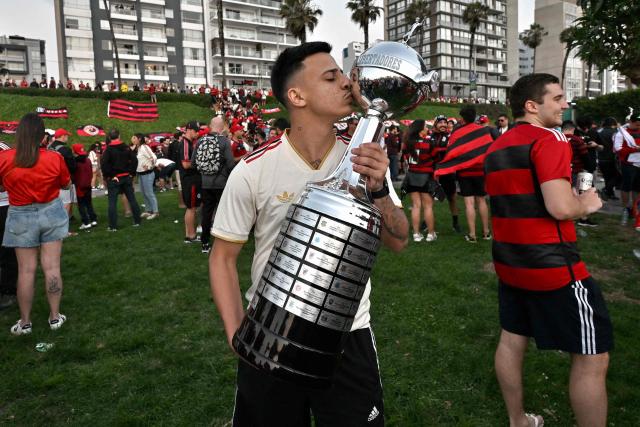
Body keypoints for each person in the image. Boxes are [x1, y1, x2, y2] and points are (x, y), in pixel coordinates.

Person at [209, 42, 408, 427]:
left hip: (348, 334)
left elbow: (399, 238)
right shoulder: (253, 169)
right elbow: (222, 257)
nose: (347, 85)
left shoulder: (363, 157)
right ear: (296, 96)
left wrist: (379, 190)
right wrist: (238, 335)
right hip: (273, 329)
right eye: (331, 77)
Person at [485, 73, 612, 427]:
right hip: (554, 268)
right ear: (532, 106)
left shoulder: (497, 145)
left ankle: (518, 420)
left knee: (512, 341)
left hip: (510, 264)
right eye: (557, 98)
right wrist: (585, 204)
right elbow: (559, 207)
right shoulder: (551, 137)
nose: (564, 104)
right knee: (592, 357)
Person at [0, 113, 71, 335]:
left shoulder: (5, 158)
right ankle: (54, 317)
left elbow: (2, 188)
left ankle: (25, 321)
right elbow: (66, 184)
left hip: (20, 213)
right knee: (52, 267)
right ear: (42, 137)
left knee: (26, 271)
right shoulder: (54, 158)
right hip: (50, 211)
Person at [192, 116, 235, 254]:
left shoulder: (200, 141)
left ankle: (205, 243)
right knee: (224, 213)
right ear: (222, 127)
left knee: (206, 213)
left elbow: (193, 163)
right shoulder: (224, 141)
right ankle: (224, 243)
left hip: (205, 183)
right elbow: (230, 163)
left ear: (210, 126)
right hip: (221, 183)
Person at [452, 106, 492, 242]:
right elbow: (489, 149)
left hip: (465, 171)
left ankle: (472, 234)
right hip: (480, 171)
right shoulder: (483, 131)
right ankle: (486, 233)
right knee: (481, 200)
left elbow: (452, 151)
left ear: (462, 118)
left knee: (469, 202)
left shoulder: (458, 132)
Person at [402, 119, 438, 242]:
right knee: (428, 206)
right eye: (425, 127)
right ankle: (430, 234)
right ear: (420, 129)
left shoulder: (407, 143)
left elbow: (405, 157)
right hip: (425, 176)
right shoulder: (429, 142)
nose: (427, 128)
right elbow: (435, 157)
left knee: (416, 206)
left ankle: (416, 234)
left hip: (412, 175)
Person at [100, 129, 141, 231]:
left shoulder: (108, 149)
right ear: (119, 135)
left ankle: (113, 226)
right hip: (126, 177)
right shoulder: (126, 147)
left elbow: (104, 164)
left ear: (109, 137)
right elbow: (134, 160)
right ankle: (137, 221)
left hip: (115, 179)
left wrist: (109, 176)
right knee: (132, 199)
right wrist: (131, 173)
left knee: (112, 202)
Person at [431, 115, 461, 233]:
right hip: (433, 172)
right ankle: (426, 222)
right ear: (435, 124)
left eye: (445, 122)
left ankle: (455, 223)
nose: (443, 124)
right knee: (430, 199)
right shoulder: (430, 136)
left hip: (447, 172)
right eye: (440, 123)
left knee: (452, 198)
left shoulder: (451, 137)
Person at [613, 113, 640, 226]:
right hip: (628, 164)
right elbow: (618, 149)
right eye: (637, 124)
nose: (639, 127)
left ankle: (634, 210)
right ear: (631, 122)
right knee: (626, 187)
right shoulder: (621, 133)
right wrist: (635, 150)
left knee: (637, 188)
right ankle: (625, 209)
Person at [0, 140, 18, 311]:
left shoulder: (4, 148)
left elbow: (11, 175)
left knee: (7, 250)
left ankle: (8, 290)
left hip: (4, 205)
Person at [179, 121, 202, 242]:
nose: (197, 133)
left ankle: (189, 235)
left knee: (190, 208)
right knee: (191, 208)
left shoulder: (188, 143)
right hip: (190, 180)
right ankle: (191, 236)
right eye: (195, 131)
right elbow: (186, 164)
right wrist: (201, 163)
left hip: (190, 179)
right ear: (188, 130)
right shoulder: (186, 143)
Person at [49, 128, 77, 219]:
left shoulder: (49, 147)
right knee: (66, 202)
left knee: (54, 202)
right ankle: (64, 227)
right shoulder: (65, 149)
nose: (67, 138)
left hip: (50, 178)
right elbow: (72, 166)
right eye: (67, 136)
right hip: (64, 179)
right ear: (63, 136)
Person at [131, 134, 159, 220]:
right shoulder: (138, 148)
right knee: (143, 193)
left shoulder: (144, 147)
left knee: (149, 193)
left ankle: (155, 212)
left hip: (148, 173)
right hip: (140, 174)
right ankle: (148, 210)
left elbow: (154, 157)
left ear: (139, 139)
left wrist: (150, 167)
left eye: (134, 138)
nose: (132, 139)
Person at [71, 144, 97, 230]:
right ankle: (93, 219)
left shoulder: (75, 162)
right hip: (88, 184)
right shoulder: (88, 160)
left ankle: (86, 222)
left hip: (79, 185)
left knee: (81, 205)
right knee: (89, 203)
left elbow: (74, 174)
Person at [597, 117, 620, 200]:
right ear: (613, 124)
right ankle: (606, 190)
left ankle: (610, 194)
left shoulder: (599, 132)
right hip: (612, 158)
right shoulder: (616, 132)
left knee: (607, 177)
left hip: (601, 158)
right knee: (617, 176)